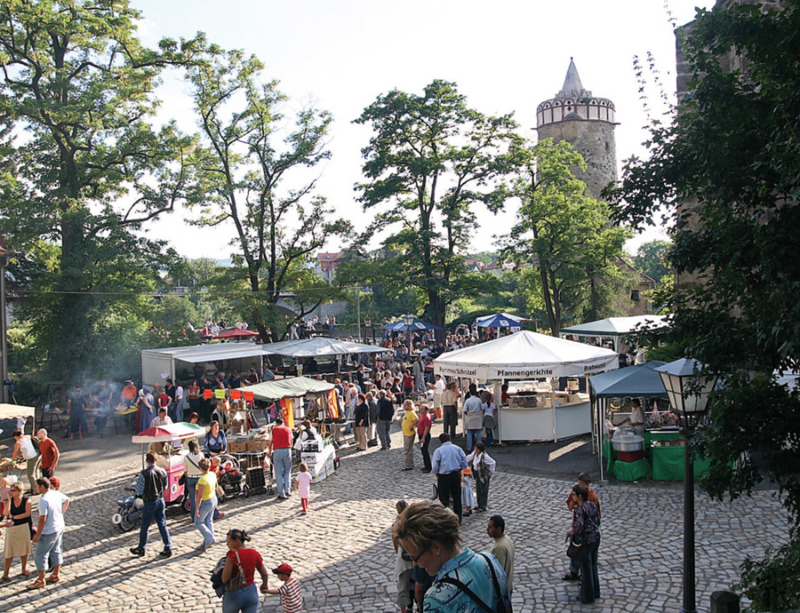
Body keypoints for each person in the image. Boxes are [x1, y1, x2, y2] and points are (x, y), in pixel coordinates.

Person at [393, 500, 510, 612]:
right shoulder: (490, 562)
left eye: (415, 557)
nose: (415, 564)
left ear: (436, 548)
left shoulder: (436, 599)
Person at [28, 478, 69, 590]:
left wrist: (37, 535)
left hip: (49, 531)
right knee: (56, 550)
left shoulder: (43, 500)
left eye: (36, 486)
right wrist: (60, 514)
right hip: (59, 526)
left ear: (42, 487)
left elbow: (42, 519)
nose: (35, 488)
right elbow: (66, 500)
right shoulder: (55, 493)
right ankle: (56, 574)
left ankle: (41, 579)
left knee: (40, 555)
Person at [130, 452, 172, 559]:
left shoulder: (144, 474)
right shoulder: (162, 471)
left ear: (147, 461)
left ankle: (141, 547)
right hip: (160, 499)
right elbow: (165, 486)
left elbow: (139, 490)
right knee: (162, 524)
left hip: (150, 501)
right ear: (156, 460)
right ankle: (168, 546)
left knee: (145, 526)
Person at [221, 528, 271, 613]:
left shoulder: (232, 555)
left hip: (234, 594)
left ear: (236, 541)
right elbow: (264, 574)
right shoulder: (254, 553)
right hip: (251, 592)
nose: (227, 544)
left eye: (229, 542)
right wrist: (264, 585)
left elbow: (225, 578)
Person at [563, 472, 601, 582]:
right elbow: (570, 506)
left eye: (582, 484)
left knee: (585, 556)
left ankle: (585, 580)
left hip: (586, 533)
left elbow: (596, 516)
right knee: (575, 549)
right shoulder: (576, 493)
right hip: (581, 529)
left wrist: (574, 530)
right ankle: (574, 571)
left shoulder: (592, 497)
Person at [567, 483, 601, 604]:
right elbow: (597, 519)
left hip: (586, 541)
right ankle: (595, 591)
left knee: (586, 569)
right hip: (596, 537)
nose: (573, 497)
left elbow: (579, 527)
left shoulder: (580, 509)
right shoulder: (591, 505)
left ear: (580, 496)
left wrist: (571, 532)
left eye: (574, 495)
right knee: (593, 566)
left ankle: (587, 596)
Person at [431, 433, 468, 522]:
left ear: (441, 441)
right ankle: (458, 518)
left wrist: (436, 473)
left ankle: (446, 519)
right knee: (457, 498)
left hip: (444, 477)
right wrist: (461, 469)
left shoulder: (439, 451)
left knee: (444, 500)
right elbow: (464, 460)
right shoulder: (457, 448)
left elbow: (435, 465)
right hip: (455, 475)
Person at [2, 481, 32, 581]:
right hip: (12, 528)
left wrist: (14, 517)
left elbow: (27, 514)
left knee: (24, 550)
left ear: (19, 491)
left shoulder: (26, 500)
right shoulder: (8, 501)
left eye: (13, 491)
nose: (10, 492)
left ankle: (24, 568)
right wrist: (9, 501)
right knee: (9, 551)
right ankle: (6, 573)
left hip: (23, 527)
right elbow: (5, 513)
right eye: (10, 490)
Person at [392, 500, 415, 613]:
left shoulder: (395, 525)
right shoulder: (413, 522)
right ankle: (419, 606)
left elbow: (396, 546)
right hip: (416, 557)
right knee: (419, 583)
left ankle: (403, 610)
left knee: (403, 587)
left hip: (403, 560)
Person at [487, 515, 515, 594]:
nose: (487, 529)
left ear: (498, 529)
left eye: (490, 527)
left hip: (502, 592)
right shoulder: (507, 539)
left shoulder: (499, 547)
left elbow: (498, 573)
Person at [195, 457, 218, 551]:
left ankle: (209, 538)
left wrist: (196, 508)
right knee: (209, 520)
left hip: (206, 502)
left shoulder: (202, 480)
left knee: (199, 522)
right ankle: (208, 541)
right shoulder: (212, 474)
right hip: (213, 499)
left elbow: (199, 496)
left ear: (200, 468)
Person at [467, 441, 496, 513]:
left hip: (483, 475)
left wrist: (489, 471)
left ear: (479, 449)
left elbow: (493, 463)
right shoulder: (475, 453)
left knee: (484, 490)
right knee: (478, 489)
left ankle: (483, 506)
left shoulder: (484, 456)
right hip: (477, 474)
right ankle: (479, 504)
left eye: (476, 449)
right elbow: (469, 457)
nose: (475, 450)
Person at [269, 417, 293, 500]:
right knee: (287, 471)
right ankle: (288, 490)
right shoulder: (288, 429)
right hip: (287, 449)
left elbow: (270, 442)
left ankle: (281, 493)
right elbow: (291, 440)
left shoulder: (274, 430)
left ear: (276, 423)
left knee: (278, 472)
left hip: (277, 450)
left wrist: (269, 451)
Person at [11, 429, 40, 495]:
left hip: (31, 457)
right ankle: (34, 487)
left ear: (16, 436)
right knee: (35, 472)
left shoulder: (18, 443)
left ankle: (35, 490)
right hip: (35, 455)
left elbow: (15, 453)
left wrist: (13, 460)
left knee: (30, 474)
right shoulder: (28, 437)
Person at [183, 440, 204, 521]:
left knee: (192, 498)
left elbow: (185, 471)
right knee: (201, 497)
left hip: (190, 478)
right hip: (199, 477)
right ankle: (201, 515)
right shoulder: (200, 455)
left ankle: (193, 516)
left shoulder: (186, 457)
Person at [462, 384, 484, 453]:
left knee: (469, 434)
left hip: (470, 418)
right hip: (478, 418)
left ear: (470, 392)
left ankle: (469, 448)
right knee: (479, 434)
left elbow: (465, 410)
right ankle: (480, 448)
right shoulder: (479, 400)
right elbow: (481, 409)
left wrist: (469, 414)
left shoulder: (468, 401)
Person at [401, 400, 419, 471]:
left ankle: (409, 465)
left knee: (408, 449)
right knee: (406, 449)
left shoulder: (411, 413)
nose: (404, 406)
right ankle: (408, 463)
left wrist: (411, 426)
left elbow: (417, 419)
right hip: (405, 433)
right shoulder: (407, 412)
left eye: (405, 405)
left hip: (409, 433)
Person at [417, 405, 432, 473]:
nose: (420, 410)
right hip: (421, 435)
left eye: (422, 409)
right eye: (420, 409)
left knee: (425, 451)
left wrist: (423, 437)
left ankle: (428, 467)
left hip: (424, 436)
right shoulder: (423, 416)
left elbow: (427, 428)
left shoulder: (427, 417)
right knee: (423, 451)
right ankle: (426, 466)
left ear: (426, 410)